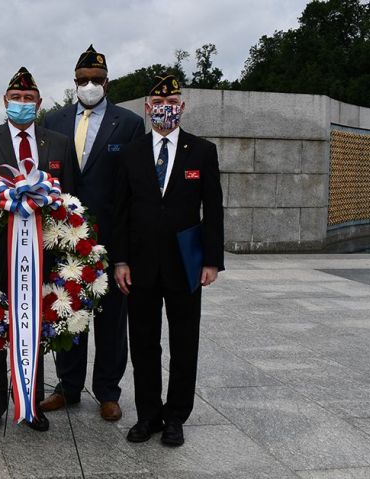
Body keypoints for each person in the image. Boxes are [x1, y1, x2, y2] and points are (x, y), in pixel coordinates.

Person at [110, 74, 224, 447]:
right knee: (143, 343)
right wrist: (120, 260)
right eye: (159, 103)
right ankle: (148, 415)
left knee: (184, 341)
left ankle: (175, 416)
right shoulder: (131, 153)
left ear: (182, 108)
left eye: (173, 103)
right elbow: (121, 211)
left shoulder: (202, 151)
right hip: (140, 265)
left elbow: (213, 209)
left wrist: (212, 260)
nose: (166, 108)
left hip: (186, 265)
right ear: (147, 108)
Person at [0, 66, 79, 433]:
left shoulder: (58, 143)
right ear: (5, 101)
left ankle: (30, 401)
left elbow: (72, 198)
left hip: (40, 254)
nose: (22, 104)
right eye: (16, 98)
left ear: (39, 103)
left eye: (29, 99)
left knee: (34, 323)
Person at [40, 45, 144, 421]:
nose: (89, 86)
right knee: (68, 312)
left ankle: (107, 391)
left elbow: (134, 187)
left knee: (113, 319)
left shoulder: (128, 123)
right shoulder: (53, 120)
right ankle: (68, 386)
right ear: (74, 82)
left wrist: (126, 250)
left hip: (110, 236)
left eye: (96, 80)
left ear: (107, 82)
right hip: (65, 236)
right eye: (83, 80)